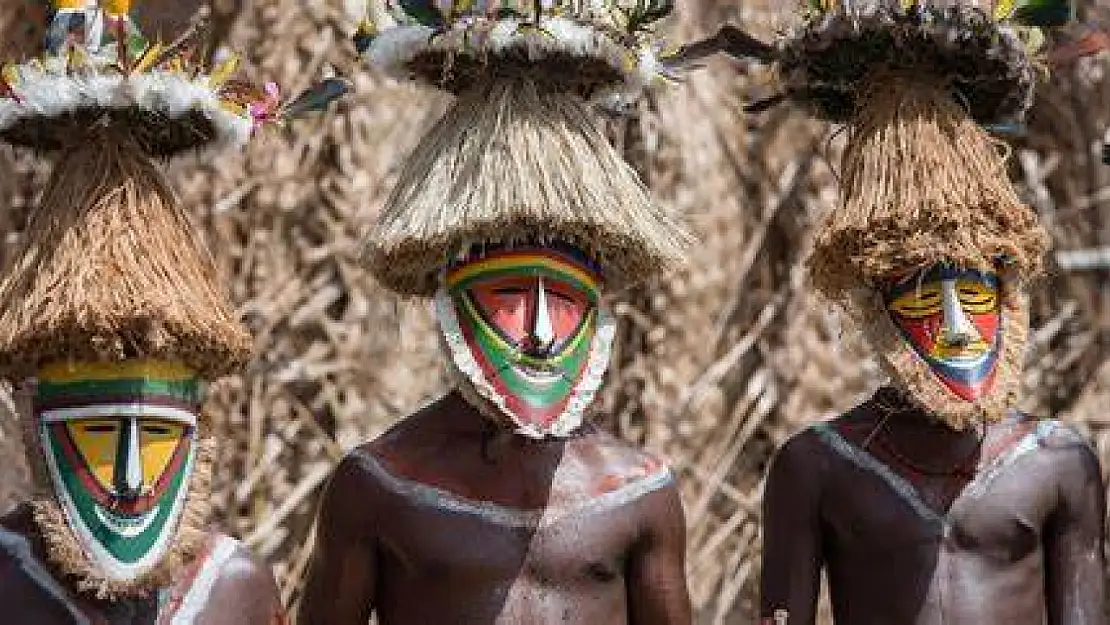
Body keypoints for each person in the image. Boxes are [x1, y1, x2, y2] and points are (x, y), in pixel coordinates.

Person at [699, 1, 1106, 623]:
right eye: (921, 297)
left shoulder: (1056, 461)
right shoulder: (817, 465)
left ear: (1009, 294)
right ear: (875, 303)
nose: (960, 327)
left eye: (975, 297)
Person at [298, 0, 693, 622]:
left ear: (595, 311)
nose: (538, 334)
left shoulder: (637, 492)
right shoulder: (378, 485)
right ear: (454, 299)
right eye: (508, 296)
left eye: (562, 301)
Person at [0, 1, 291, 622]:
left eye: (158, 435)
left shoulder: (237, 589)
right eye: (100, 434)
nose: (131, 482)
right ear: (36, 420)